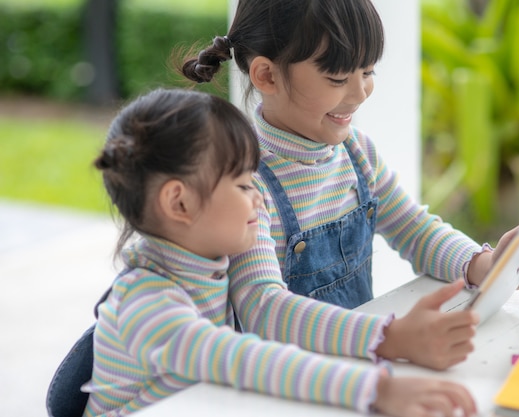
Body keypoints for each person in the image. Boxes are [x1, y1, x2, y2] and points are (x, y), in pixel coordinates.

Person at [179, 0, 519, 368]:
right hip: (287, 383)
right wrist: (389, 336)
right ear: (267, 76)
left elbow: (415, 229)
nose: (360, 93)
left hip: (355, 368)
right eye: (338, 78)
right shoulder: (245, 182)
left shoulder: (356, 152)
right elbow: (264, 308)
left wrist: (486, 265)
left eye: (368, 72)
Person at [81, 88, 477, 417]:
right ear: (179, 203)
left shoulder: (207, 264)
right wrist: (378, 389)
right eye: (242, 185)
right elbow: (242, 359)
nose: (259, 198)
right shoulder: (144, 303)